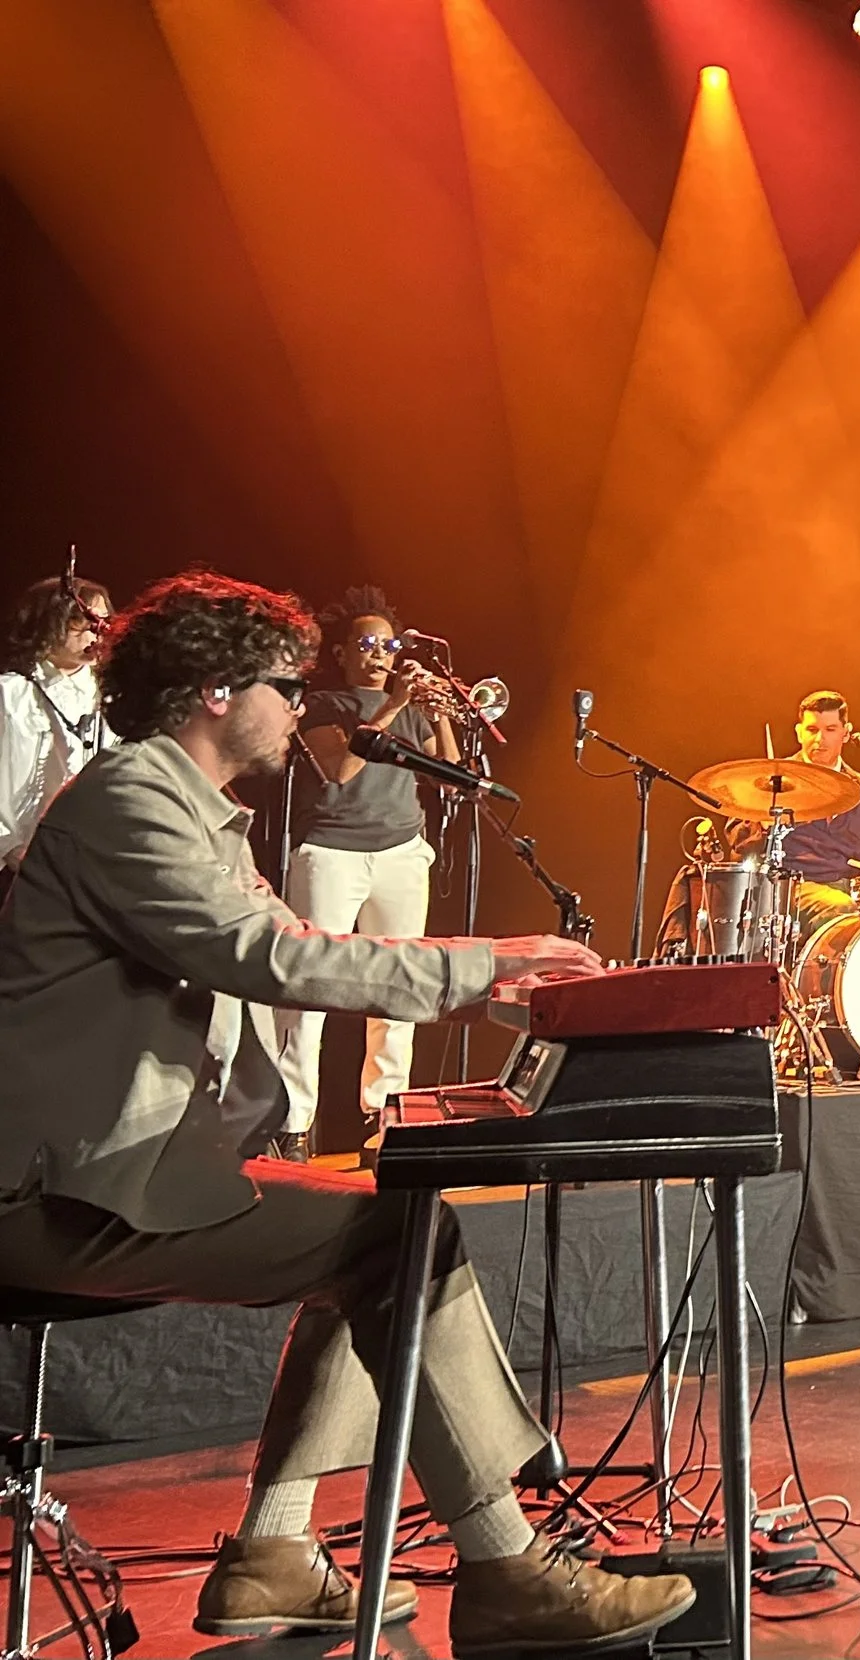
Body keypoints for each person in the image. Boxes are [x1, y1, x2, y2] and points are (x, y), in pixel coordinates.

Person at [0, 569, 694, 1650]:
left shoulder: (189, 811)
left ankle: (273, 1554)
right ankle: (507, 1566)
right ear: (217, 691)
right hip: (55, 1190)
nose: (304, 707)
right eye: (288, 685)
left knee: (368, 1215)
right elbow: (273, 956)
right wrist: (487, 965)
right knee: (393, 1233)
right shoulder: (133, 798)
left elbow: (325, 949)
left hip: (111, 1169)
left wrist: (514, 983)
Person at [269, 586, 462, 1162]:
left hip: (401, 853)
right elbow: (340, 771)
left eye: (390, 644)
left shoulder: (414, 707)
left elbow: (451, 779)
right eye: (369, 644)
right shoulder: (324, 704)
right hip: (331, 853)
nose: (381, 653)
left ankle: (386, 1121)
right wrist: (394, 707)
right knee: (310, 989)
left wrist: (443, 715)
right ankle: (293, 1122)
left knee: (399, 988)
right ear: (344, 653)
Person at [0, 573, 116, 899]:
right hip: (17, 867)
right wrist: (11, 849)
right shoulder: (9, 693)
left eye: (103, 622)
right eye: (85, 621)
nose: (97, 631)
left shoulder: (113, 695)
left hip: (92, 865)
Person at [775, 689, 860, 930]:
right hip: (793, 886)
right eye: (812, 730)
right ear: (798, 733)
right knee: (842, 908)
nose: (820, 739)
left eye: (830, 730)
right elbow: (739, 840)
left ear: (846, 733)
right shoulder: (775, 782)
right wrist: (761, 825)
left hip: (852, 889)